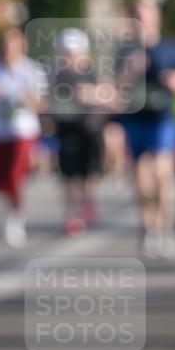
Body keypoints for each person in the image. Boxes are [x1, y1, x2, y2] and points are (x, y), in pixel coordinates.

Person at [118, 0, 175, 257]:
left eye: (147, 16)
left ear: (156, 18)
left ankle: (165, 227)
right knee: (141, 179)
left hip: (164, 118)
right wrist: (130, 72)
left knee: (163, 172)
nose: (143, 22)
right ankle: (148, 226)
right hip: (136, 119)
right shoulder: (125, 51)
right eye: (138, 17)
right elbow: (113, 84)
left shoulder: (170, 47)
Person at [0, 26, 46, 247]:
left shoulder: (31, 70)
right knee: (0, 178)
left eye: (12, 44)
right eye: (4, 44)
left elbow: (41, 102)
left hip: (22, 130)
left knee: (15, 175)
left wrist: (26, 100)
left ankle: (16, 216)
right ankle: (8, 207)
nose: (8, 49)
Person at [50, 28, 105, 235]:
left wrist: (91, 96)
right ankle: (72, 215)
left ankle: (86, 201)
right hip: (66, 130)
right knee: (68, 175)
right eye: (66, 52)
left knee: (89, 172)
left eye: (73, 52)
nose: (70, 56)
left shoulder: (92, 72)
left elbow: (109, 96)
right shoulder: (56, 74)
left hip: (89, 128)